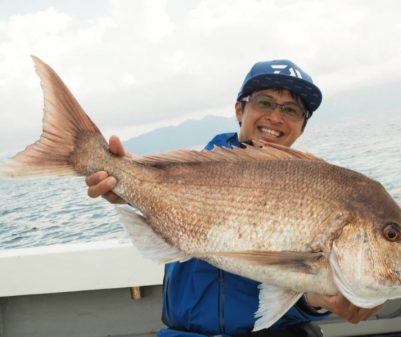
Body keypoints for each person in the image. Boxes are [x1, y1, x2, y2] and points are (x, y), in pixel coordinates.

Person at [86, 60, 384, 336]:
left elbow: (300, 287)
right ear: (240, 110)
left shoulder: (320, 191)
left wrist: (320, 300)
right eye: (265, 102)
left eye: (291, 110)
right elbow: (154, 183)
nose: (275, 116)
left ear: (302, 126)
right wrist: (124, 184)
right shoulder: (191, 172)